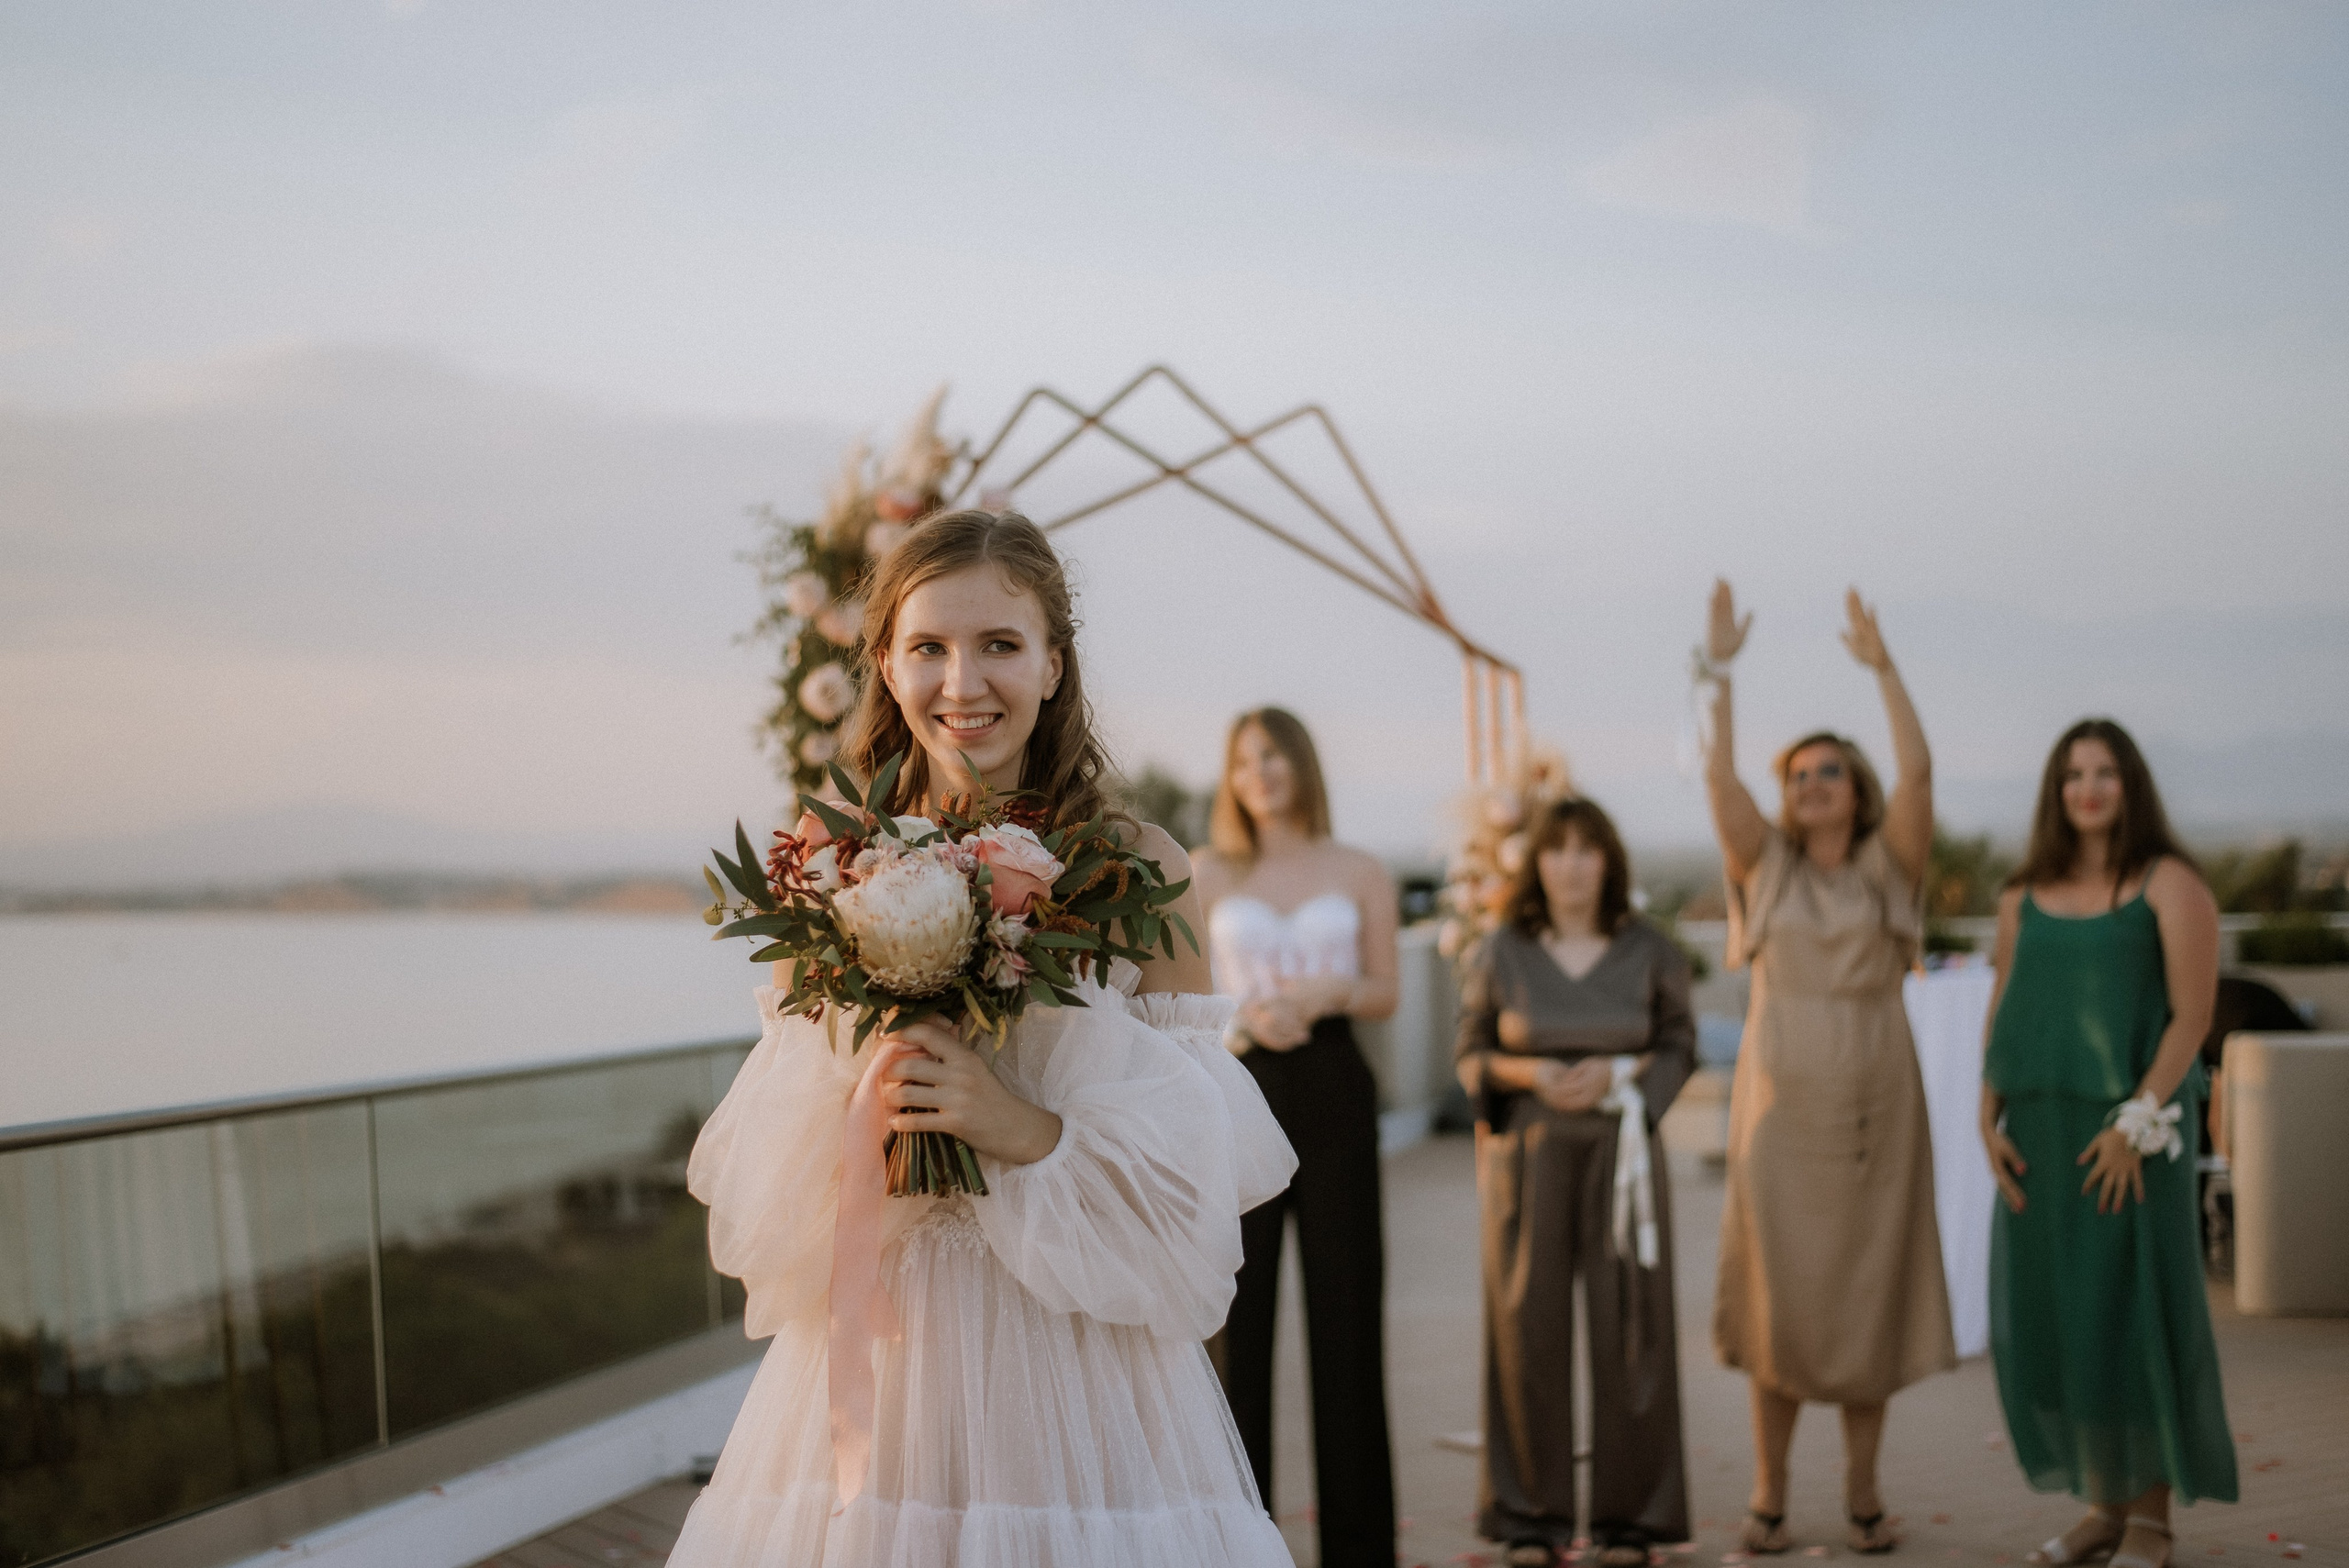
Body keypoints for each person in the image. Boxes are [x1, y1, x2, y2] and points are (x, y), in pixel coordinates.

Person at [669, 511, 1299, 1567]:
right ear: (885, 662)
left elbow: (1190, 1191)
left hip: (1077, 1369)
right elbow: (772, 1173)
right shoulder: (825, 858)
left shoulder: (1137, 868)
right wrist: (872, 1114)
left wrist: (1019, 1126)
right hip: (891, 1350)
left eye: (1000, 644)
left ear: (1054, 663)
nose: (964, 681)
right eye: (929, 647)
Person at [1701, 581, 1956, 1556]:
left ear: (1855, 788)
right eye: (1800, 771)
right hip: (1781, 1103)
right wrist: (1718, 669)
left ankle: (1861, 1492)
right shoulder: (1764, 866)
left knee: (1866, 1296)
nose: (1813, 781)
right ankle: (1768, 1494)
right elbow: (1721, 784)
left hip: (1878, 1102)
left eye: (1831, 770)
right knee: (1779, 1297)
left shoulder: (1891, 867)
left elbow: (1923, 773)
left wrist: (1883, 667)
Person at [1981, 719, 2236, 1568]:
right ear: (2055, 792)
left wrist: (2133, 1125)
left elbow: (2192, 1018)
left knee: (2131, 1317)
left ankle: (2153, 1523)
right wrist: (1988, 1114)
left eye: (2105, 773)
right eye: (2072, 774)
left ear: (2131, 785)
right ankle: (2102, 1508)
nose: (2087, 788)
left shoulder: (2170, 883)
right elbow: (2004, 1005)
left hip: (2132, 1135)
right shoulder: (2022, 894)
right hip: (2042, 1138)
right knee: (2067, 1320)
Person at [1455, 796, 1698, 1568]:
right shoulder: (1501, 951)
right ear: (1537, 864)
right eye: (1556, 849)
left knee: (1634, 1330)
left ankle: (1633, 1521)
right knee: (1526, 1327)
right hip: (1529, 1155)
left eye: (1587, 849)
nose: (1571, 864)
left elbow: (1679, 1042)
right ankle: (1531, 1518)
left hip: (1624, 1151)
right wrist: (1528, 1071)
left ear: (1609, 862)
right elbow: (1470, 1053)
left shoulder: (1650, 950)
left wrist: (1624, 1073)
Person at [1192, 707, 1399, 1568]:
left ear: (1302, 763)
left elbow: (1386, 986)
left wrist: (1324, 997)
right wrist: (1245, 1020)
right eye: (1243, 760)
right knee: (1239, 1324)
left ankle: (1360, 1550)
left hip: (1334, 1083)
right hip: (1239, 1087)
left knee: (1348, 1319)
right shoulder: (1205, 871)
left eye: (1273, 755)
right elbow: (1185, 1000)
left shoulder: (1359, 867)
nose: (1260, 773)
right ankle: (1243, 1542)